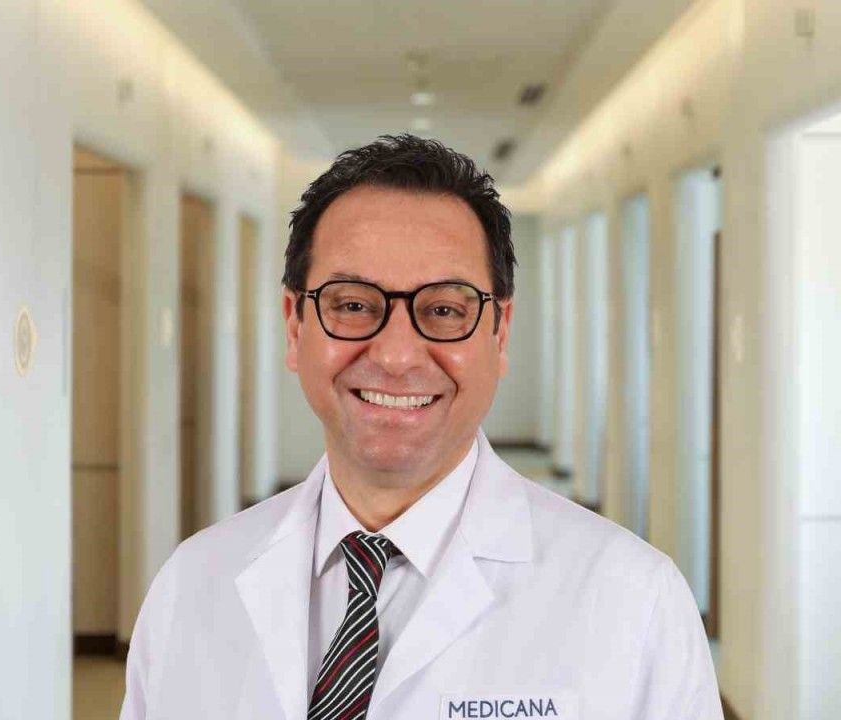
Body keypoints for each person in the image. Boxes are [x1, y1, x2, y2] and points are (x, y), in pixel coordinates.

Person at [119, 134, 722, 720]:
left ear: (500, 333)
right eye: (353, 304)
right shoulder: (190, 585)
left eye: (444, 310)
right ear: (295, 325)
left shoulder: (634, 600)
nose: (397, 355)